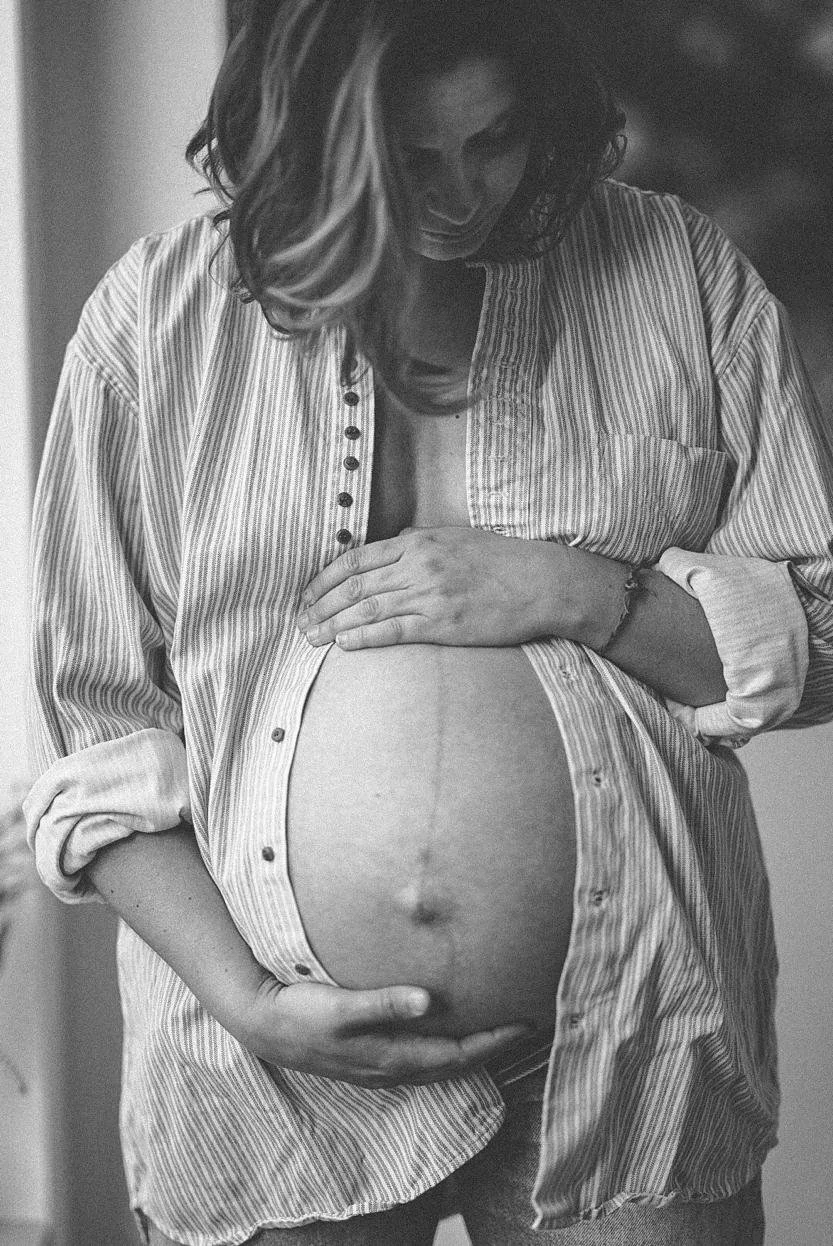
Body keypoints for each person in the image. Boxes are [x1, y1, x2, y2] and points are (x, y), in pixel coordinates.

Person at [23, 0, 833, 1243]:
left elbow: (821, 642)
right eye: (412, 158)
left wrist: (576, 590)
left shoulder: (677, 275)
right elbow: (96, 729)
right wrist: (247, 1001)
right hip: (272, 1079)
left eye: (493, 141)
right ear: (312, 144)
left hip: (632, 1049)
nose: (461, 195)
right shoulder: (155, 321)